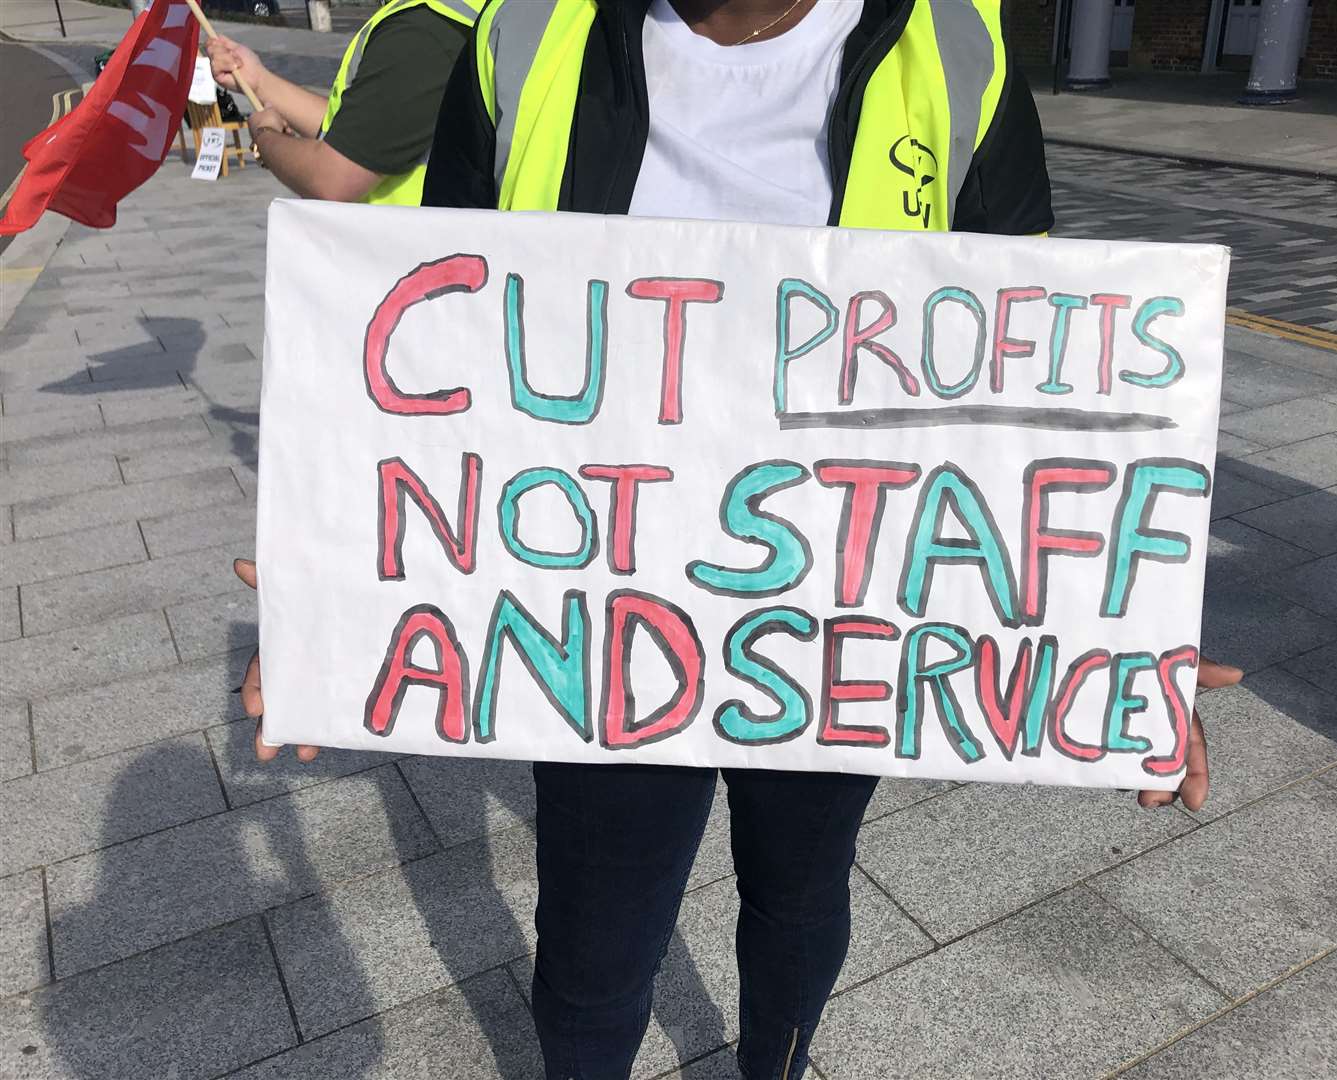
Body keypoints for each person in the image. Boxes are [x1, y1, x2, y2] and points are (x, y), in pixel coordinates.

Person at [235, 1, 1245, 1076]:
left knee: (802, 892)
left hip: (839, 609)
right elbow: (450, 348)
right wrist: (347, 586)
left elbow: (1018, 377)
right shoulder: (522, 32)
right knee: (594, 941)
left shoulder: (958, 44)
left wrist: (1120, 643)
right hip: (597, 599)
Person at [203, 0, 482, 204]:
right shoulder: (440, 17)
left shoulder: (425, 28)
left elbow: (332, 179)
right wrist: (259, 82)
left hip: (404, 263)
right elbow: (362, 133)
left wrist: (264, 137)